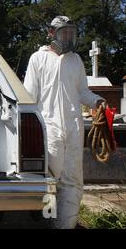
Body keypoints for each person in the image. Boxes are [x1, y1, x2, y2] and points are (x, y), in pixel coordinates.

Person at [23, 16, 105, 229]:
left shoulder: (75, 60)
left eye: (71, 32)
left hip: (74, 130)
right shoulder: (37, 59)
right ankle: (45, 221)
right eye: (64, 32)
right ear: (51, 33)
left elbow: (82, 92)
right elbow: (29, 97)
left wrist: (98, 101)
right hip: (48, 130)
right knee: (49, 183)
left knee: (73, 183)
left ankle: (65, 226)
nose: (68, 36)